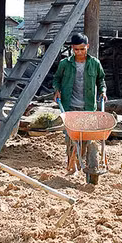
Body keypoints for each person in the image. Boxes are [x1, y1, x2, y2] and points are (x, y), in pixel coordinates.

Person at [52, 33, 106, 173]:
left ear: (87, 46)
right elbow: (56, 79)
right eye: (76, 49)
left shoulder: (94, 63)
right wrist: (57, 90)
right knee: (71, 138)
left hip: (88, 107)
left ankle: (84, 159)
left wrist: (103, 91)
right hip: (70, 106)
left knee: (86, 138)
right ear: (72, 48)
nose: (80, 52)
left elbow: (101, 80)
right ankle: (72, 163)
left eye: (82, 49)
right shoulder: (65, 64)